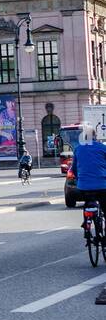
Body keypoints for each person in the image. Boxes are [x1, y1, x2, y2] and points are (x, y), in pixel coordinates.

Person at [71, 129, 106, 302]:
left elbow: (74, 169)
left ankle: (87, 223)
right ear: (95, 137)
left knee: (88, 203)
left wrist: (80, 180)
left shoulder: (78, 149)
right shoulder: (102, 147)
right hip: (103, 185)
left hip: (83, 186)